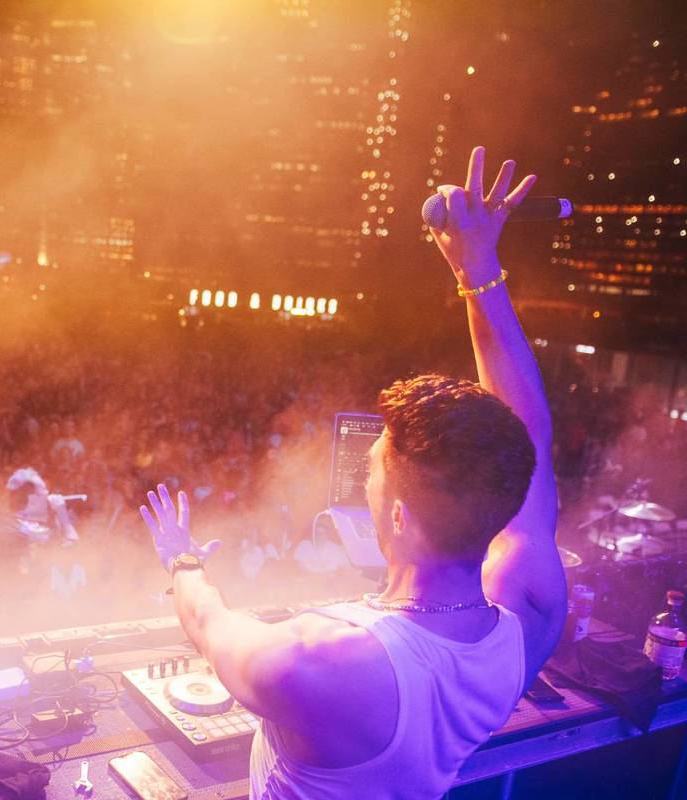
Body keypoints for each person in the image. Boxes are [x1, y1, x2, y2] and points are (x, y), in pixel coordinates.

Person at [139, 147, 566, 800]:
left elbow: (208, 625)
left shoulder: (321, 662)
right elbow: (529, 430)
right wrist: (477, 270)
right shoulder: (527, 615)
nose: (365, 478)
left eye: (372, 470)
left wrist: (181, 560)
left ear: (397, 514)